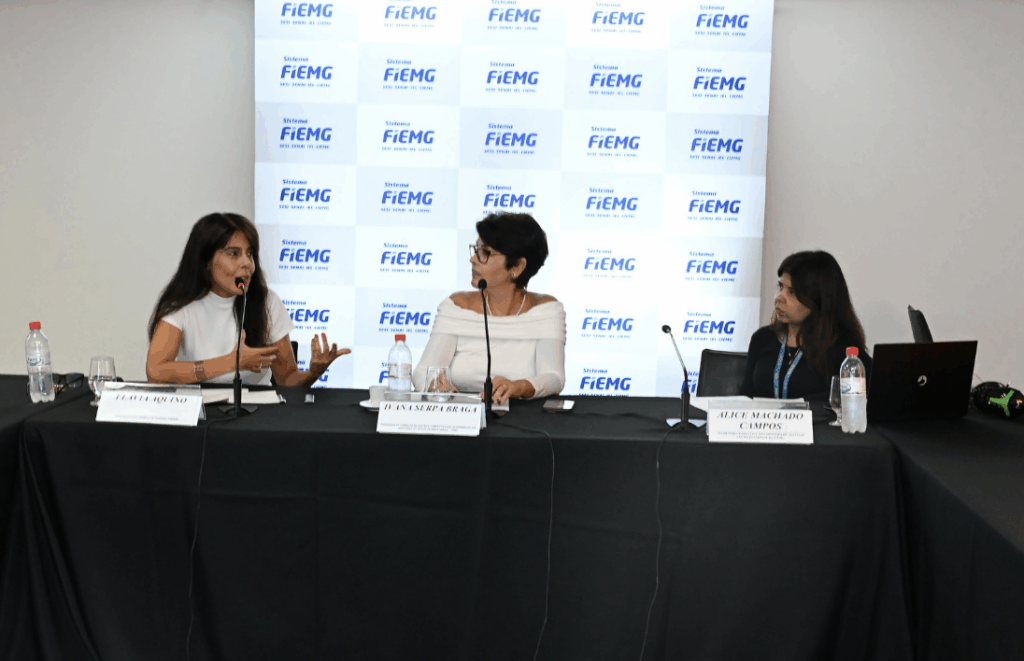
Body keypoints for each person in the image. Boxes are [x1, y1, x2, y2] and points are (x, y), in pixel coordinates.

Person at [146, 213, 350, 386]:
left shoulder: (267, 302)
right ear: (206, 261)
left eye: (250, 254)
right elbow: (156, 371)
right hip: (200, 411)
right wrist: (230, 363)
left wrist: (313, 373)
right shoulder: (181, 306)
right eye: (234, 254)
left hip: (257, 412)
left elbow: (287, 379)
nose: (247, 264)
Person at [412, 212, 565, 404]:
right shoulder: (457, 307)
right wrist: (433, 384)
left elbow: (554, 377)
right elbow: (423, 371)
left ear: (517, 266)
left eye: (485, 253)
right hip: (461, 414)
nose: (473, 259)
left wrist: (518, 387)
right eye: (476, 250)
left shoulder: (545, 310)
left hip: (524, 417)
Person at [740, 250, 871, 400]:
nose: (779, 298)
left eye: (792, 292)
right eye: (780, 286)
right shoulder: (762, 338)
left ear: (818, 299)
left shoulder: (843, 350)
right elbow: (744, 398)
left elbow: (867, 401)